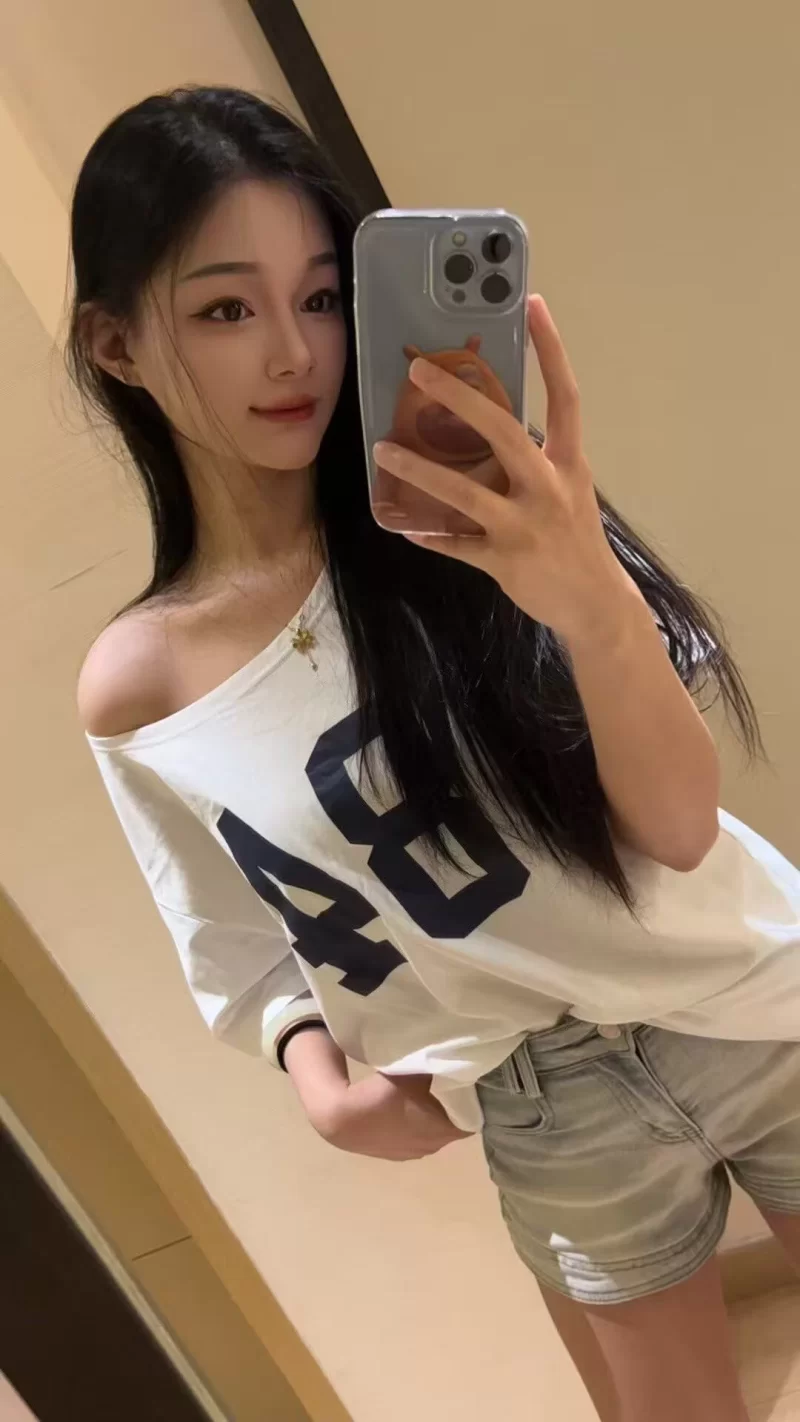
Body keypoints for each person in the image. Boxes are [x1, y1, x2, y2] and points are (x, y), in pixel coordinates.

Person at [71, 86, 800, 1422]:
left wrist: (587, 591)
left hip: (753, 996)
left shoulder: (488, 514)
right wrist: (317, 1076)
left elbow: (680, 825)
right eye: (225, 309)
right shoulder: (143, 684)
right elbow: (232, 935)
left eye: (323, 297)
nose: (293, 352)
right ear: (117, 343)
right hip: (545, 1101)